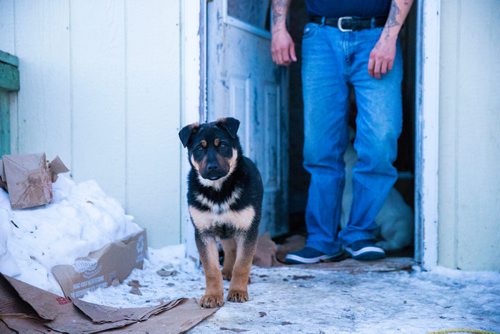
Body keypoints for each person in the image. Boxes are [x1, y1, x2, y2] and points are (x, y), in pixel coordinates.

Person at [271, 0, 414, 263]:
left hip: (377, 36)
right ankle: (322, 240)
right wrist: (278, 27)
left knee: (381, 140)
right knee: (320, 147)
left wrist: (390, 37)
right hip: (321, 38)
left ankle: (360, 233)